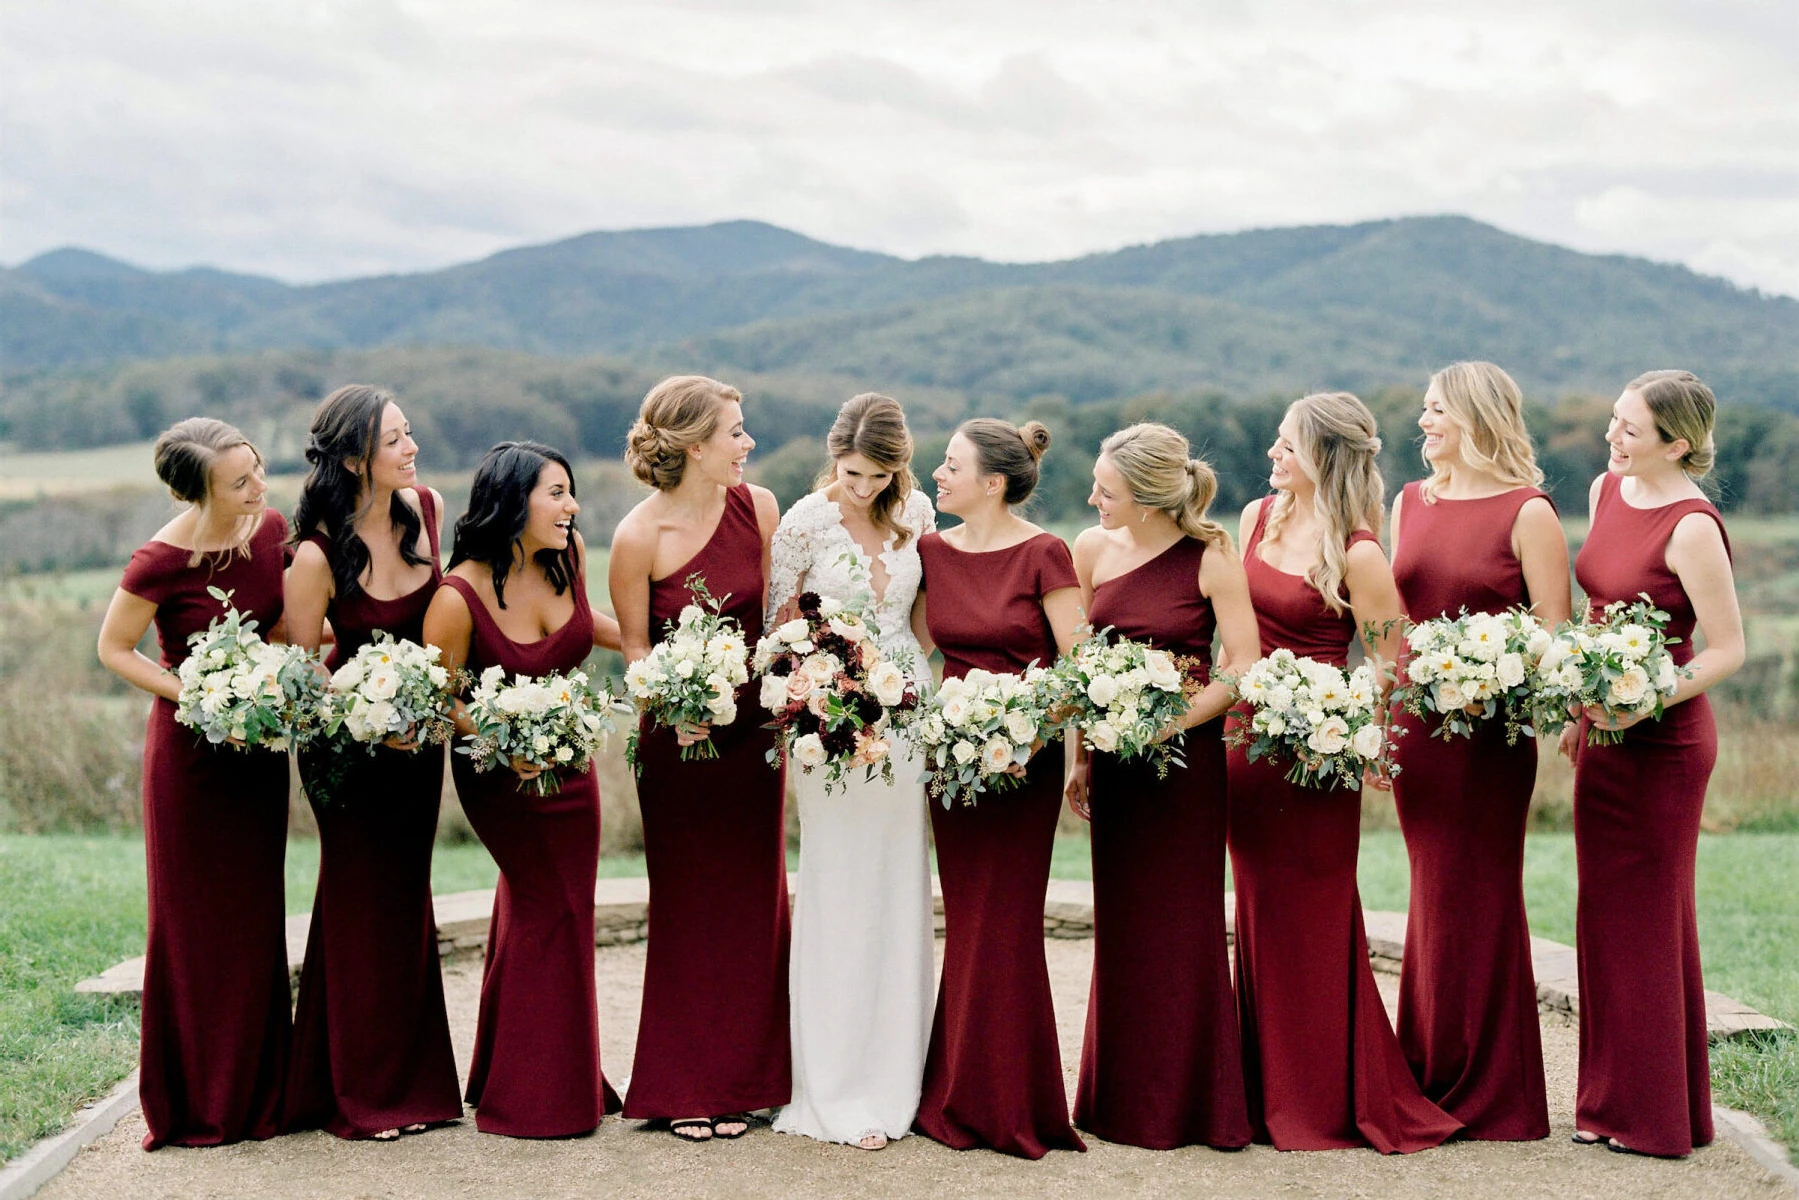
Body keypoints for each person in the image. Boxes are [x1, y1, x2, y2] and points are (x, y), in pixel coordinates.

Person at [1224, 392, 1461, 1153]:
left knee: (1316, 920)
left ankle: (1322, 1096)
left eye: (1286, 445)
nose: (1272, 454)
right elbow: (1236, 636)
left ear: (1321, 456)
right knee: (1256, 913)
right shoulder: (1257, 518)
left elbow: (1391, 664)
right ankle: (1261, 1089)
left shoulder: (1359, 553)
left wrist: (1351, 733)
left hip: (1317, 762)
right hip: (1244, 746)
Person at [96, 418, 292, 1150]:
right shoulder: (158, 561)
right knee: (194, 926)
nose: (258, 487)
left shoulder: (269, 528)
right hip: (190, 764)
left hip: (258, 758)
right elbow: (114, 649)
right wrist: (198, 696)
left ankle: (260, 1093)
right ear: (195, 490)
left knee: (253, 918)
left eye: (256, 470)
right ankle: (197, 1104)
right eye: (239, 481)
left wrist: (282, 678)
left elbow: (281, 628)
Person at [421, 440, 625, 1137]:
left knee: (555, 907)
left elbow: (582, 625)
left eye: (570, 492)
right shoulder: (456, 597)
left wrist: (656, 649)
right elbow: (437, 698)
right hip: (495, 773)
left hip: (570, 767)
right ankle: (538, 1099)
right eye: (557, 493)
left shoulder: (567, 559)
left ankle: (514, 1069)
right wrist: (508, 737)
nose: (572, 507)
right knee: (553, 911)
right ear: (514, 502)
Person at [1064, 423, 1258, 1150]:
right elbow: (1080, 667)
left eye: (1105, 490)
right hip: (1114, 771)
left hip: (1185, 774)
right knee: (1122, 930)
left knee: (1182, 927)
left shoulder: (1211, 559)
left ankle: (1189, 1105)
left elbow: (1240, 665)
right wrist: (1080, 759)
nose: (1091, 499)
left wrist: (1169, 722)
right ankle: (1114, 1101)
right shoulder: (1089, 549)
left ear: (1146, 498)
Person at [1388, 362, 1569, 1140]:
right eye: (1423, 410)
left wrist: (1490, 672)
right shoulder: (1409, 501)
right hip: (1417, 733)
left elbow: (1555, 634)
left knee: (1479, 894)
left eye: (1435, 410)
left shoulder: (1528, 512)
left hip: (1489, 737)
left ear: (1473, 415)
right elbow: (1392, 619)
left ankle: (1493, 1089)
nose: (1422, 422)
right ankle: (1427, 1068)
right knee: (1430, 893)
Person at [1565, 370, 1743, 1158]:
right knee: (1603, 918)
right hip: (1602, 736)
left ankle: (1656, 1116)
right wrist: (1582, 709)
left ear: (1676, 442)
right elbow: (1594, 613)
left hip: (1664, 745)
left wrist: (1647, 700)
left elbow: (1729, 649)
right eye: (1613, 421)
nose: (1612, 437)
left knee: (1648, 920)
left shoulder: (1693, 525)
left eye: (1629, 429)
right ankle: (1608, 1102)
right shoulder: (1609, 488)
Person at [609, 376, 790, 1143]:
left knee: (756, 904)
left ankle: (751, 1081)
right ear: (691, 446)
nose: (747, 444)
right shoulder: (635, 536)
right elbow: (633, 650)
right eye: (735, 432)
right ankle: (684, 1082)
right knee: (688, 908)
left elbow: (781, 622)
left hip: (755, 737)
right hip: (679, 748)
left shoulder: (763, 509)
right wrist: (671, 704)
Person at [282, 384, 463, 1141]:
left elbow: (446, 625)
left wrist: (420, 713)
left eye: (409, 433)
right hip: (343, 758)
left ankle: (411, 1085)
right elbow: (300, 672)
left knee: (403, 900)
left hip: (416, 748)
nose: (411, 447)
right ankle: (363, 1097)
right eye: (395, 439)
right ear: (355, 456)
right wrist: (365, 716)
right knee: (362, 903)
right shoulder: (316, 554)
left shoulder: (426, 508)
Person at [765, 394, 936, 1151]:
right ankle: (830, 1082)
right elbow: (777, 629)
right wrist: (820, 688)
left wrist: (912, 677)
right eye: (850, 472)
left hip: (907, 720)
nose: (861, 487)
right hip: (827, 726)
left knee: (900, 883)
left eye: (877, 475)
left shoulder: (919, 514)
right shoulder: (803, 521)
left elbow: (924, 619)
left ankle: (898, 1074)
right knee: (838, 883)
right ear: (832, 456)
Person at [912, 418, 1087, 1159]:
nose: (937, 475)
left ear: (993, 482)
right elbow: (915, 644)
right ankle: (955, 1093)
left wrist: (1043, 741)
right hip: (951, 762)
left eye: (951, 466)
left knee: (1006, 923)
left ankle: (1014, 1105)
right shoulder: (930, 551)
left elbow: (1078, 671)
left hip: (1025, 764)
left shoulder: (1046, 552)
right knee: (967, 916)